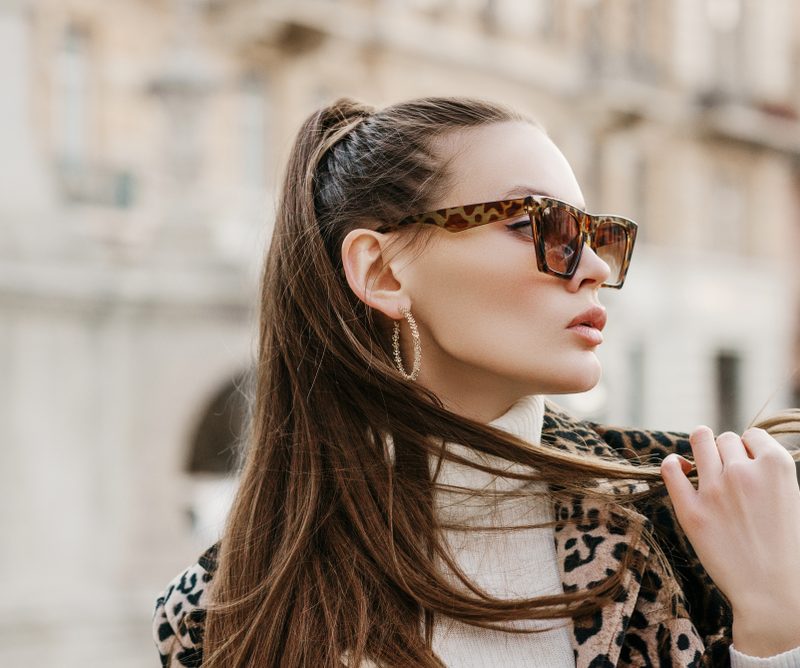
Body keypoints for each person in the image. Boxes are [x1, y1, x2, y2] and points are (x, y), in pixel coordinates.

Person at [152, 96, 800, 667]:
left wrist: (776, 627)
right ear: (381, 272)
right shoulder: (217, 612)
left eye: (593, 234)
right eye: (535, 224)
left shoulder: (699, 513)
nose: (595, 267)